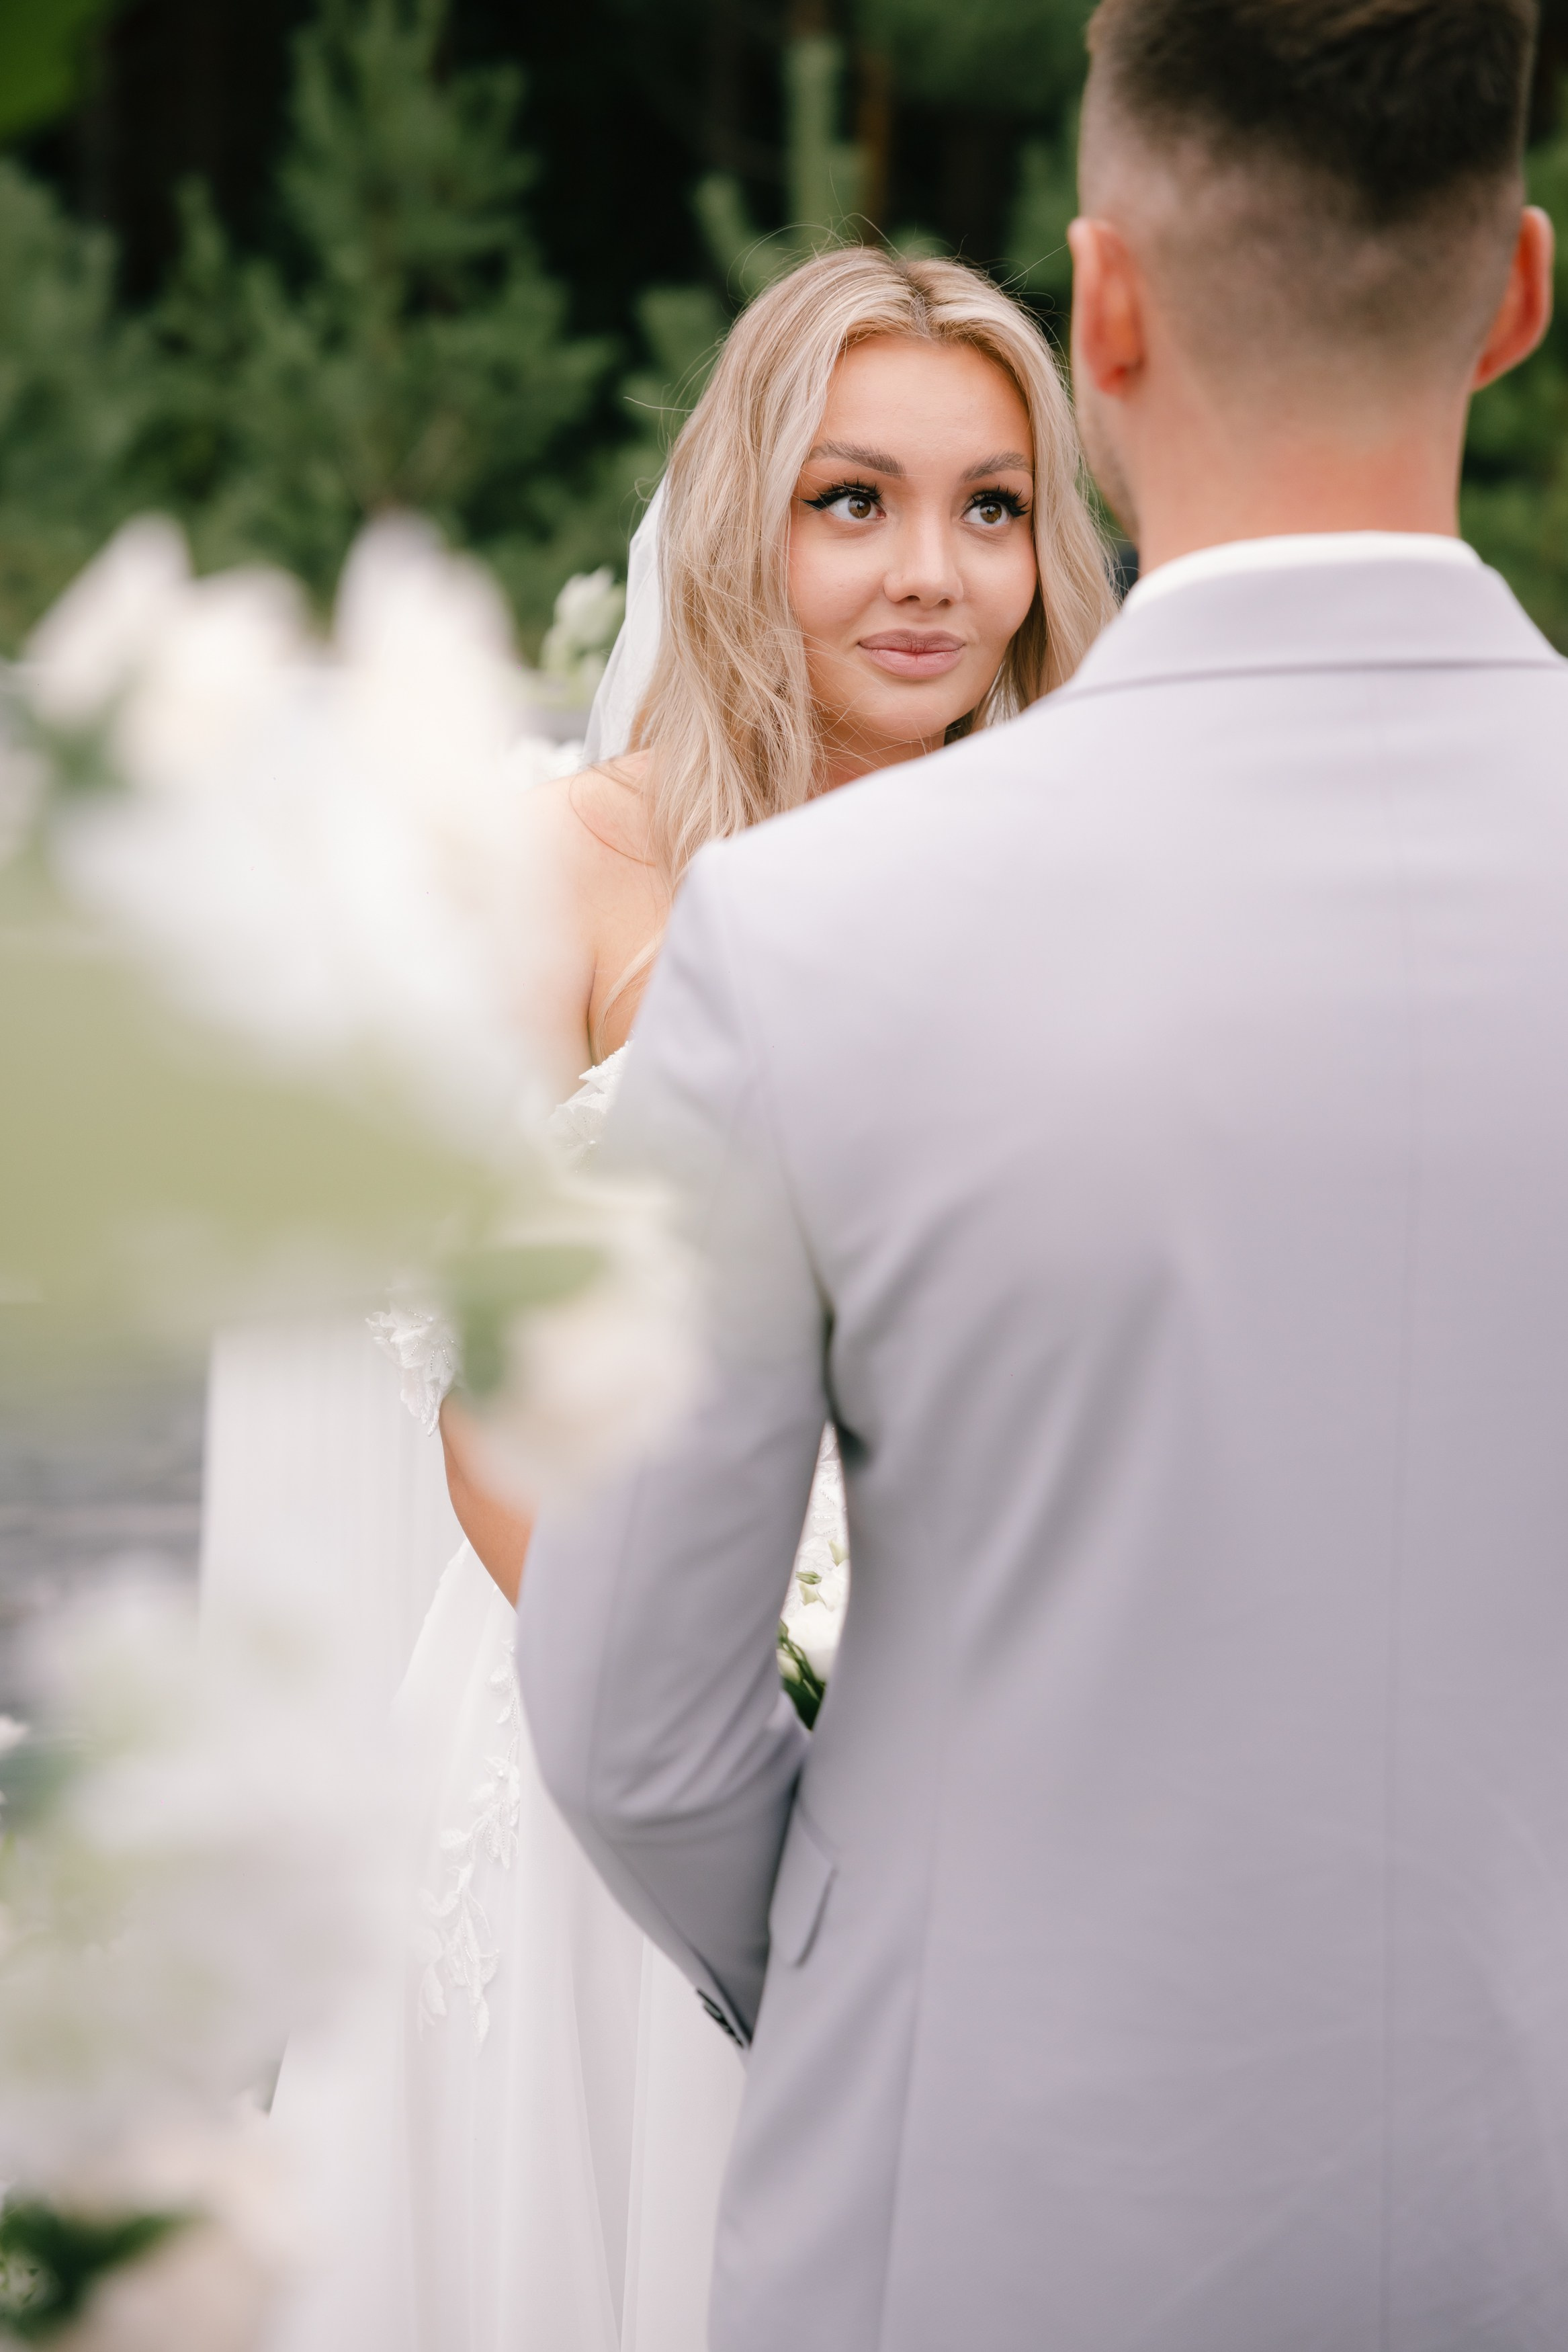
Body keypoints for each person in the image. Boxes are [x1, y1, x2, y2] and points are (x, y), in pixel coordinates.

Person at [518, 3, 1568, 2347]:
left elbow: (628, 1722)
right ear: (1515, 294)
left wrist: (912, 1974)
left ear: (1100, 316)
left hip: (986, 2214)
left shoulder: (808, 937)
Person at [268, 247, 1114, 2352]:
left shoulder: (1076, 874)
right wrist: (744, 1748)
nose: (933, 573)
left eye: (992, 506)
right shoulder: (571, 869)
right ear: (748, 511)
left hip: (989, 1774)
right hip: (596, 1756)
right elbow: (475, 1405)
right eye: (857, 501)